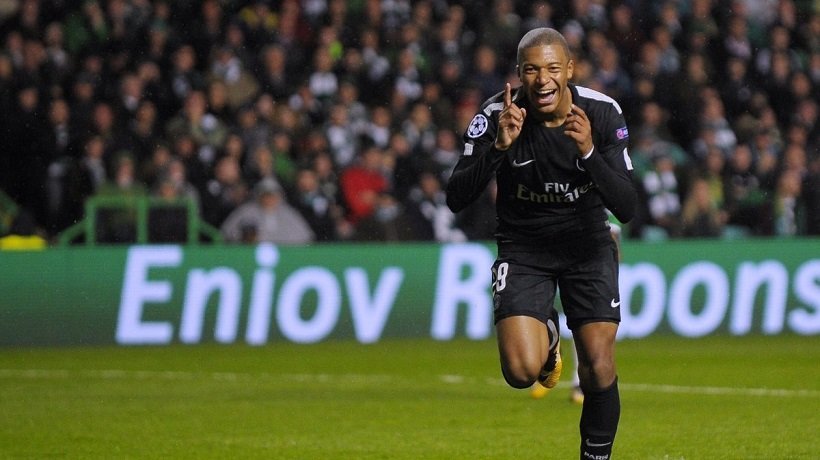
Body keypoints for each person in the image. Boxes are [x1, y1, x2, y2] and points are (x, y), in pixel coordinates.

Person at [446, 28, 636, 460]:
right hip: (524, 248)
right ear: (519, 73)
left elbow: (626, 207)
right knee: (520, 372)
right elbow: (456, 197)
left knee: (598, 365)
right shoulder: (497, 114)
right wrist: (498, 149)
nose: (543, 79)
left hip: (586, 245)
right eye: (532, 70)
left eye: (552, 68)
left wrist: (589, 153)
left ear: (569, 69)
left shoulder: (601, 113)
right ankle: (549, 336)